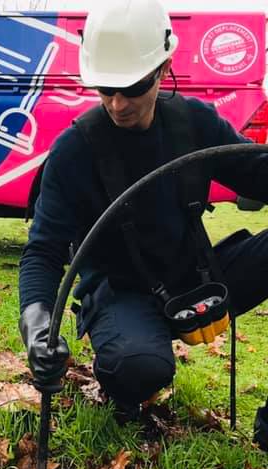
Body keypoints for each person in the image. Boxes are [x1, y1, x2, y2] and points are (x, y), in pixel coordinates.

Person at [18, 0, 268, 438]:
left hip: (197, 274)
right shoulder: (75, 151)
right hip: (122, 293)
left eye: (133, 87)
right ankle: (127, 373)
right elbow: (42, 251)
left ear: (164, 66)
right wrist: (37, 323)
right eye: (104, 88)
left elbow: (258, 173)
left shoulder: (194, 125)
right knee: (139, 368)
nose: (117, 104)